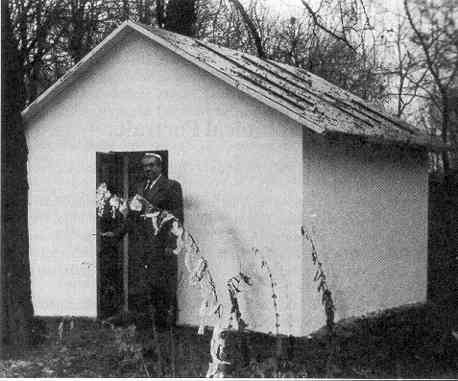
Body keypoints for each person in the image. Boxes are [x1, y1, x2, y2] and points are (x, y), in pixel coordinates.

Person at [102, 153, 183, 328]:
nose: (148, 169)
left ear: (160, 167)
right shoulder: (140, 188)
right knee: (144, 281)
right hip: (142, 243)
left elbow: (177, 217)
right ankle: (146, 321)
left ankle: (165, 324)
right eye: (145, 166)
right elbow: (132, 216)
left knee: (162, 282)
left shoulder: (171, 186)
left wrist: (171, 244)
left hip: (161, 244)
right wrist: (117, 234)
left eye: (152, 165)